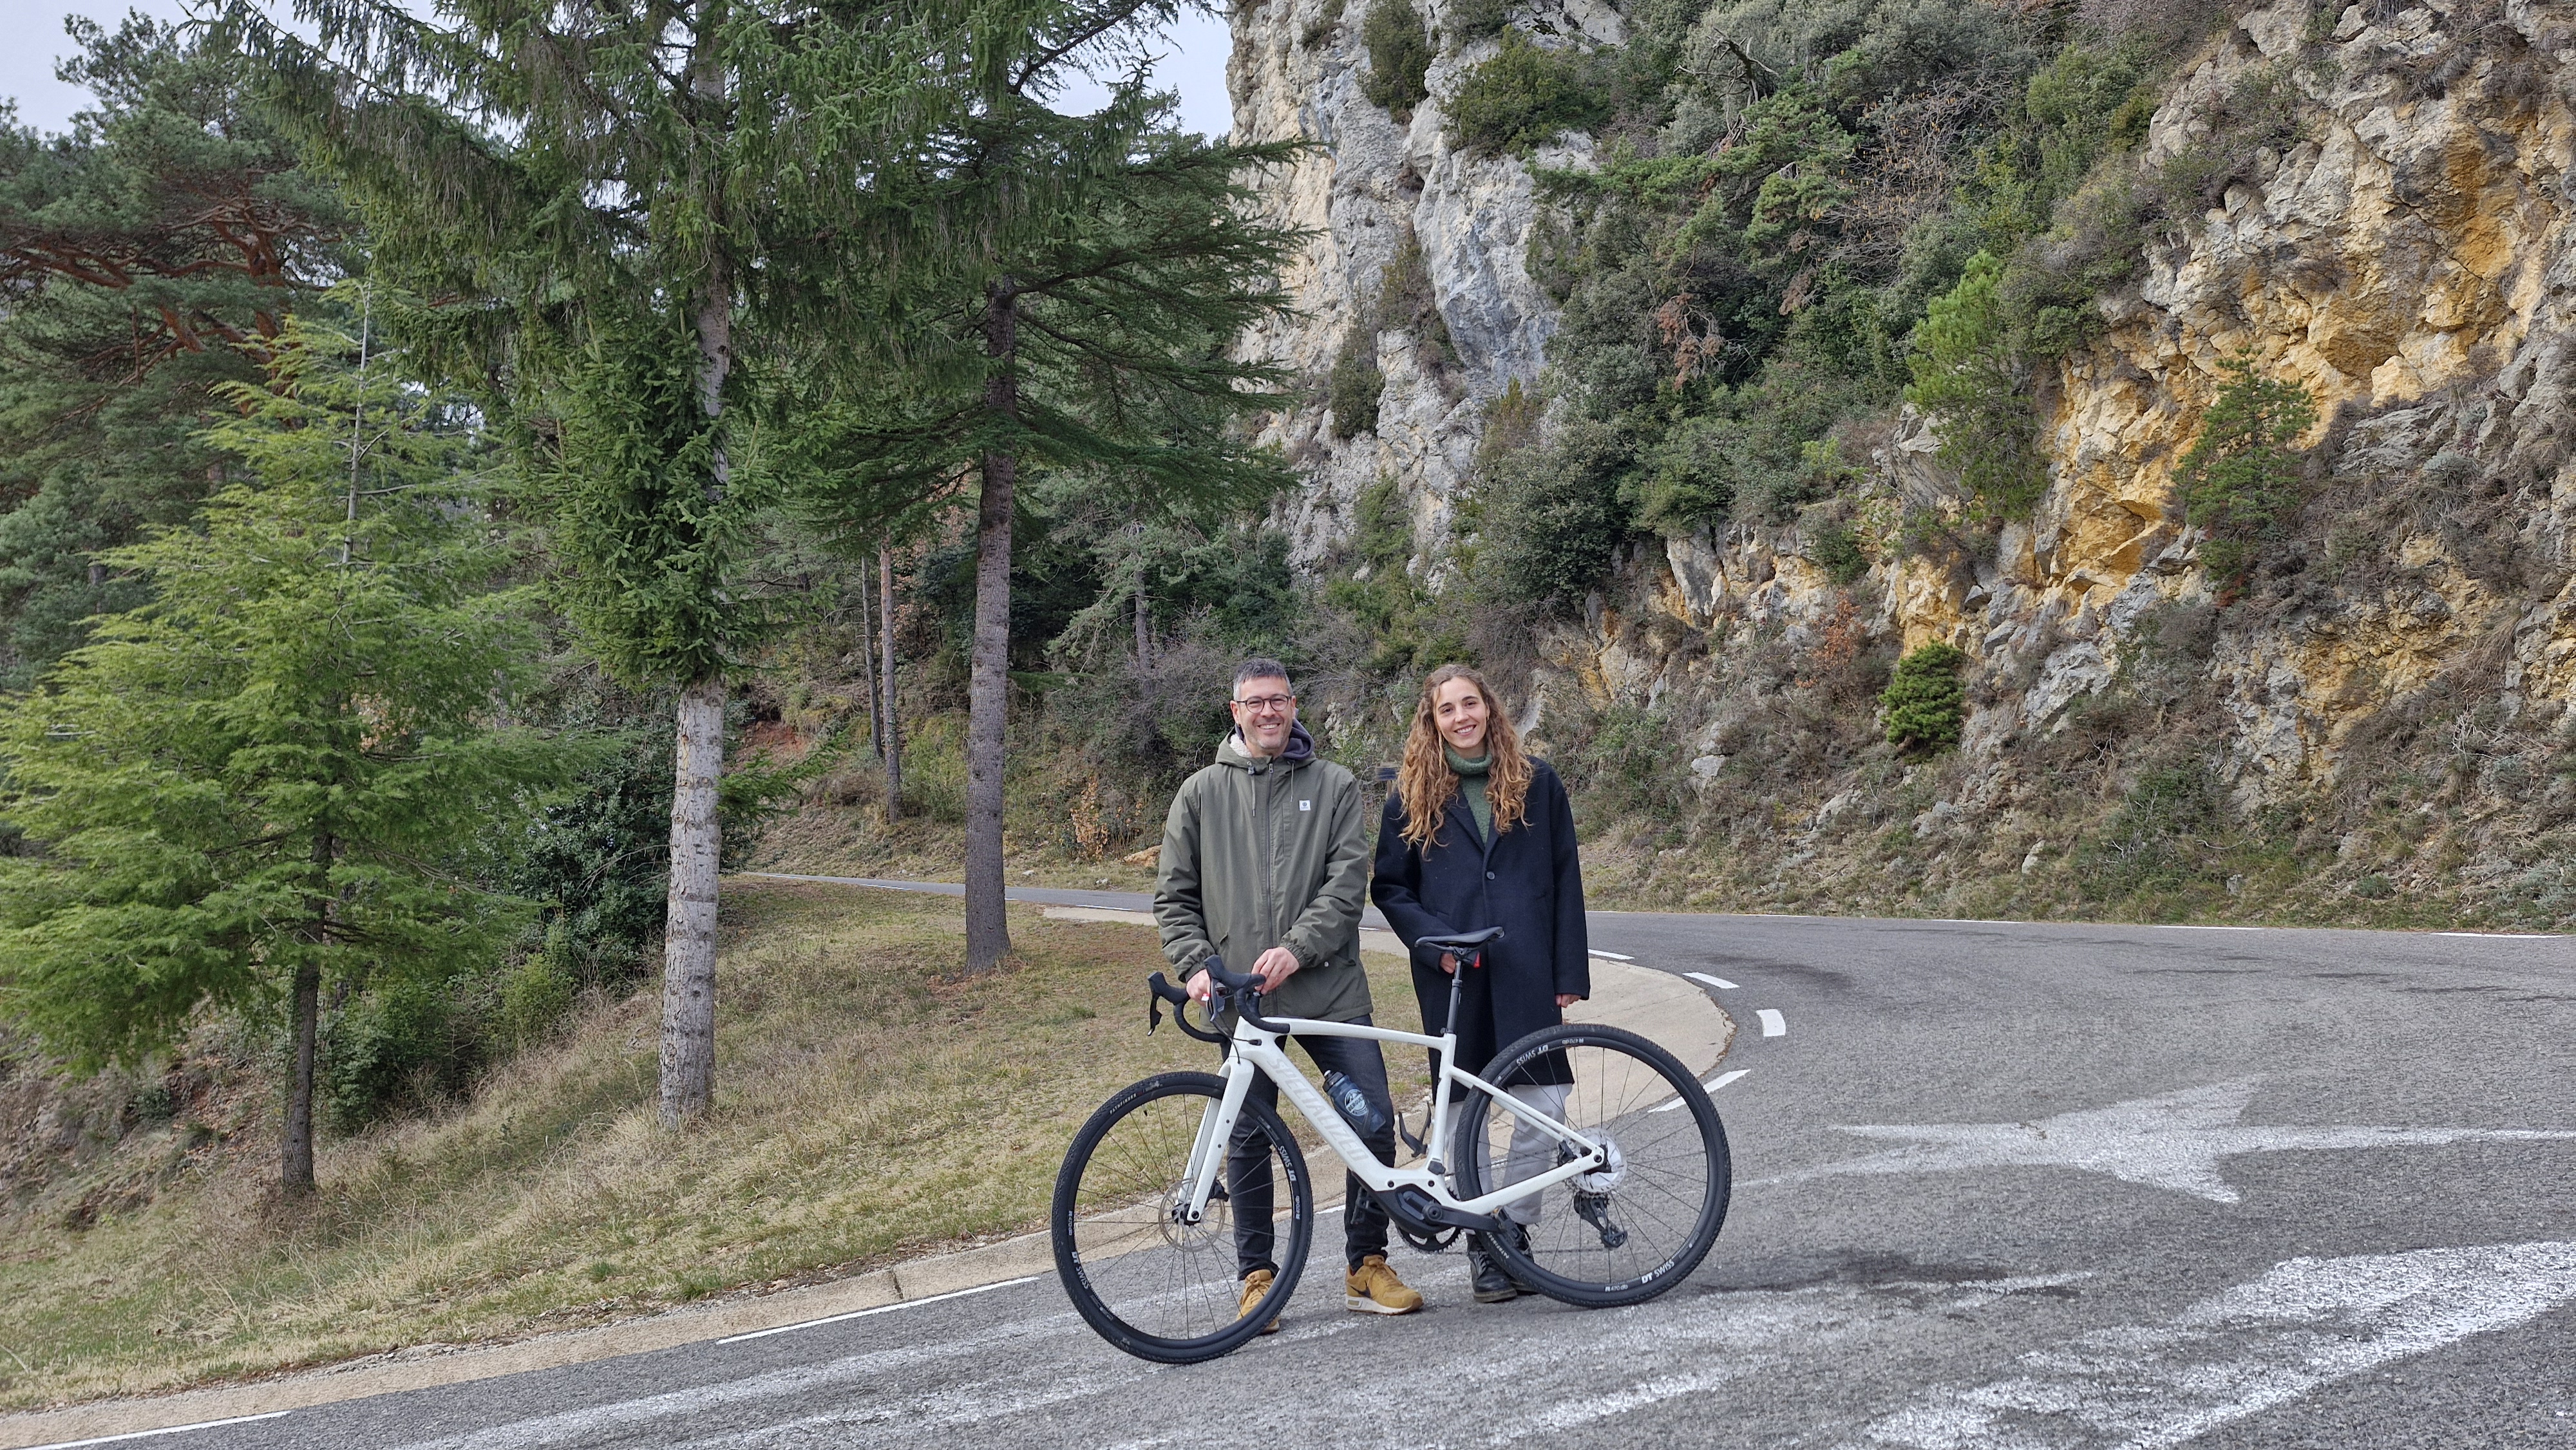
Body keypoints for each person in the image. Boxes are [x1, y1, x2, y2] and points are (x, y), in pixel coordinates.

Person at [1153, 658, 1425, 1328]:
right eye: (1255, 702)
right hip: (1242, 1002)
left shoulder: (1331, 784)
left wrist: (1298, 946)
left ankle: (1366, 1264)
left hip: (1327, 989)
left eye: (1278, 700)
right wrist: (1194, 963)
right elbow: (1173, 896)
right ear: (1234, 708)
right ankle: (1258, 1277)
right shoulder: (1199, 793)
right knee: (1246, 1135)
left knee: (1369, 1122)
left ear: (1294, 705)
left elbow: (1346, 880)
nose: (1268, 711)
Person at [1370, 663, 1589, 1304]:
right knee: (1464, 1117)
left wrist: (1568, 972)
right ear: (1431, 721)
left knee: (1543, 1107)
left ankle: (1514, 1229)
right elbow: (1390, 887)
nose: (1462, 716)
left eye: (1471, 703)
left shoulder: (1536, 781)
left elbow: (1565, 874)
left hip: (1528, 968)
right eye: (1447, 709)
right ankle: (1483, 1247)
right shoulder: (1408, 796)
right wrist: (1432, 944)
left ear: (1490, 709)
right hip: (1454, 975)